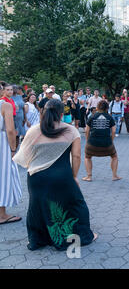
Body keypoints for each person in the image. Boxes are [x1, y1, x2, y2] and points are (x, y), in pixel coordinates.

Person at [13, 99, 97, 250]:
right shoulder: (71, 130)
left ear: (43, 111)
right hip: (62, 176)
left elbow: (25, 155)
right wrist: (74, 176)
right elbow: (77, 156)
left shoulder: (34, 130)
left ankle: (38, 240)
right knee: (75, 205)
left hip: (37, 177)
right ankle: (80, 236)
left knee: (37, 207)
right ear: (61, 112)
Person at [0, 82, 22, 225]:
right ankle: (2, 215)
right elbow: (10, 129)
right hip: (2, 144)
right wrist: (13, 149)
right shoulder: (5, 105)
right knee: (3, 176)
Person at [83, 100, 121, 182]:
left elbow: (87, 130)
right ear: (107, 108)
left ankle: (89, 176)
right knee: (114, 157)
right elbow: (114, 131)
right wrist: (111, 140)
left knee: (87, 157)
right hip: (107, 144)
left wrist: (87, 141)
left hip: (92, 143)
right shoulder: (109, 117)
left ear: (97, 108)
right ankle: (114, 176)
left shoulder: (92, 117)